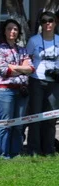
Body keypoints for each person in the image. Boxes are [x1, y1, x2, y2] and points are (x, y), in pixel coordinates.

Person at [0, 19, 33, 158]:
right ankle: (4, 154)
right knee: (6, 124)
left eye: (15, 29)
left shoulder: (22, 49)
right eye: (9, 29)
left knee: (18, 124)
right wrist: (22, 69)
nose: (13, 31)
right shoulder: (0, 49)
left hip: (22, 91)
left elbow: (31, 68)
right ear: (4, 31)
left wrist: (14, 67)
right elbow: (3, 70)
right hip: (6, 91)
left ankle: (16, 153)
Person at [25, 10, 59, 155]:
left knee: (51, 116)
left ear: (55, 23)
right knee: (35, 115)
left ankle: (49, 148)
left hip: (54, 82)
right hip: (37, 80)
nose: (47, 24)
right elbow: (26, 58)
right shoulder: (34, 41)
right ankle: (33, 149)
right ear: (41, 24)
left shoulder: (58, 40)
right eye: (44, 21)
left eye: (50, 20)